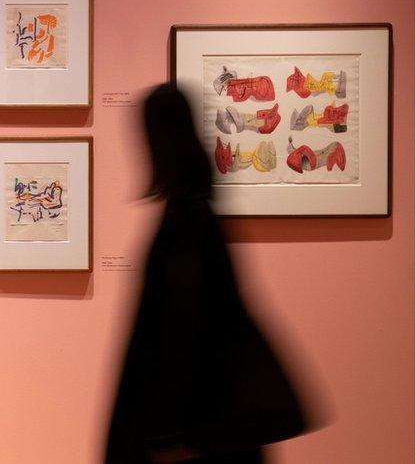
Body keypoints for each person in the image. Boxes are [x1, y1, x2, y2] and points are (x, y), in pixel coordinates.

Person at [105, 84, 308, 463]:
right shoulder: (197, 213)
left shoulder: (186, 222)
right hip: (210, 422)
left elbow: (182, 330)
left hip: (194, 428)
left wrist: (170, 432)